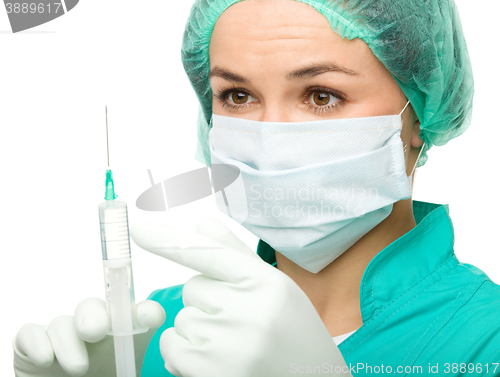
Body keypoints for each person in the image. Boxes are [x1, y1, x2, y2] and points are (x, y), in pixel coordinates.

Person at [13, 0, 500, 376]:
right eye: (238, 96)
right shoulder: (160, 326)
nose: (271, 137)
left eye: (321, 95)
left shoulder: (487, 341)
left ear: (420, 113)